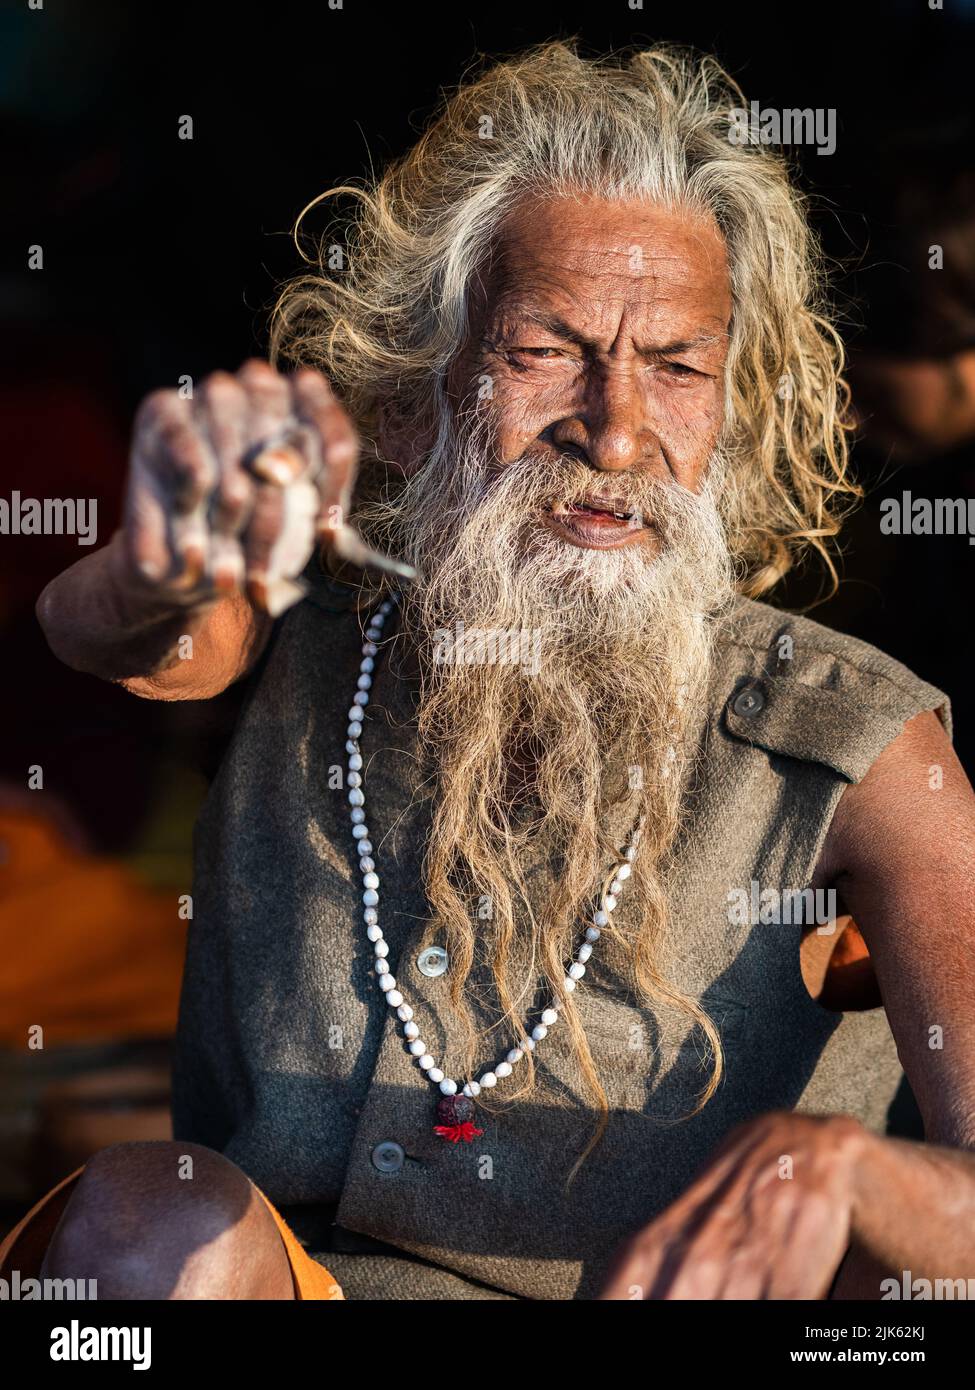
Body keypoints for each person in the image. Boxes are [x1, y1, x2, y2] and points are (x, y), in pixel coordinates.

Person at [11, 42, 975, 1301]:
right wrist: (162, 554)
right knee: (145, 1214)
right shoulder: (315, 628)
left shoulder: (861, 748)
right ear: (418, 395)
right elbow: (117, 631)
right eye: (544, 350)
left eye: (679, 366)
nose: (616, 429)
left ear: (734, 412)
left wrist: (851, 1173)